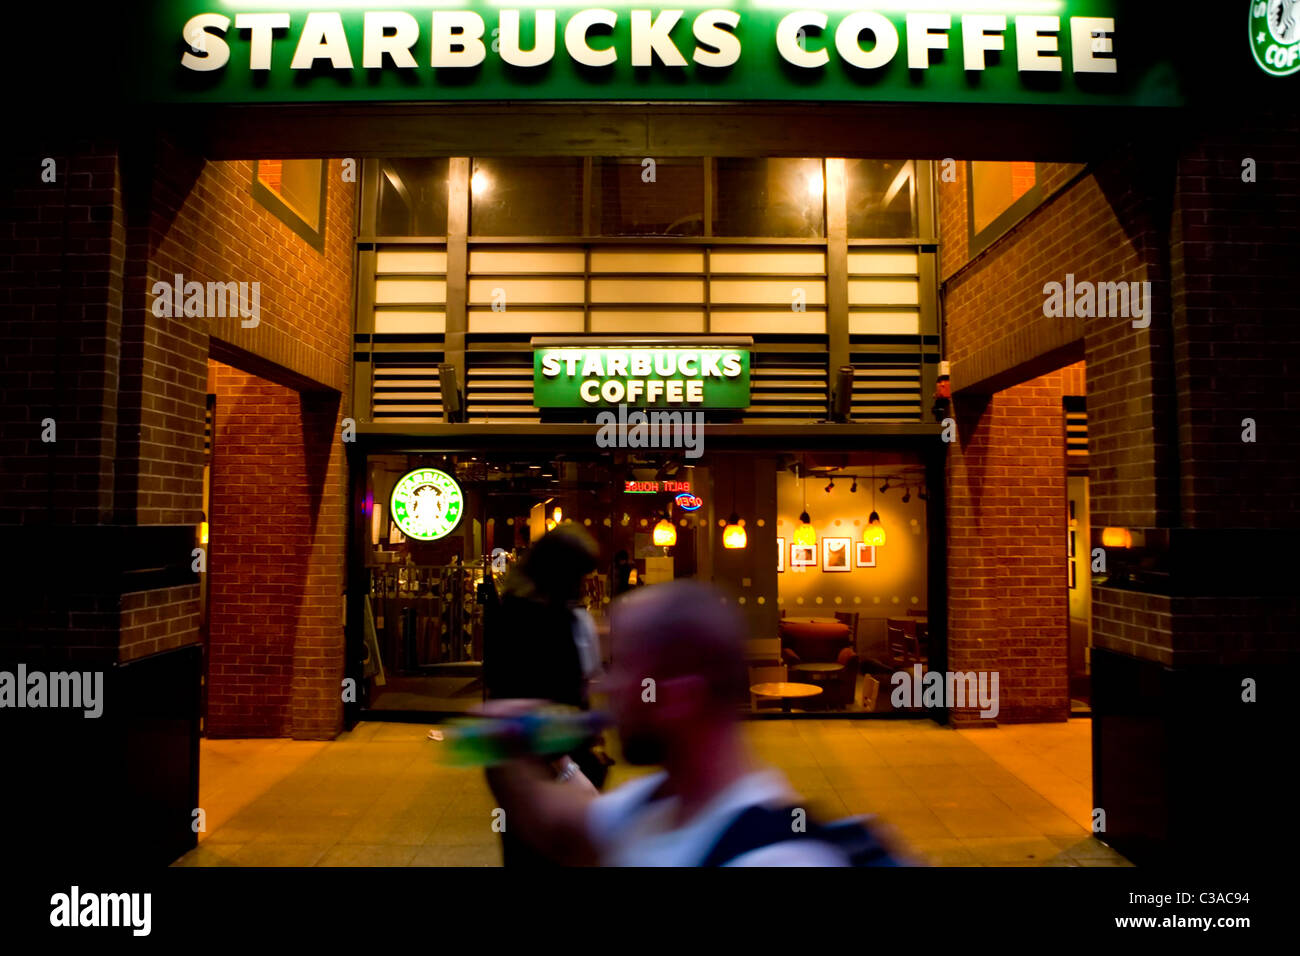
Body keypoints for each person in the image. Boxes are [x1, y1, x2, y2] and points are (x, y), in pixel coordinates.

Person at [484, 579, 852, 866]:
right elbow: (562, 828)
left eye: (626, 667)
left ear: (682, 696)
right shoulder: (653, 803)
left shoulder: (773, 858)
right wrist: (511, 751)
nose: (609, 686)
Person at [482, 524, 613, 865]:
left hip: (545, 753)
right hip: (540, 759)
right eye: (579, 575)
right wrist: (566, 768)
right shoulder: (529, 616)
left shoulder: (541, 609)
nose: (584, 584)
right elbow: (521, 696)